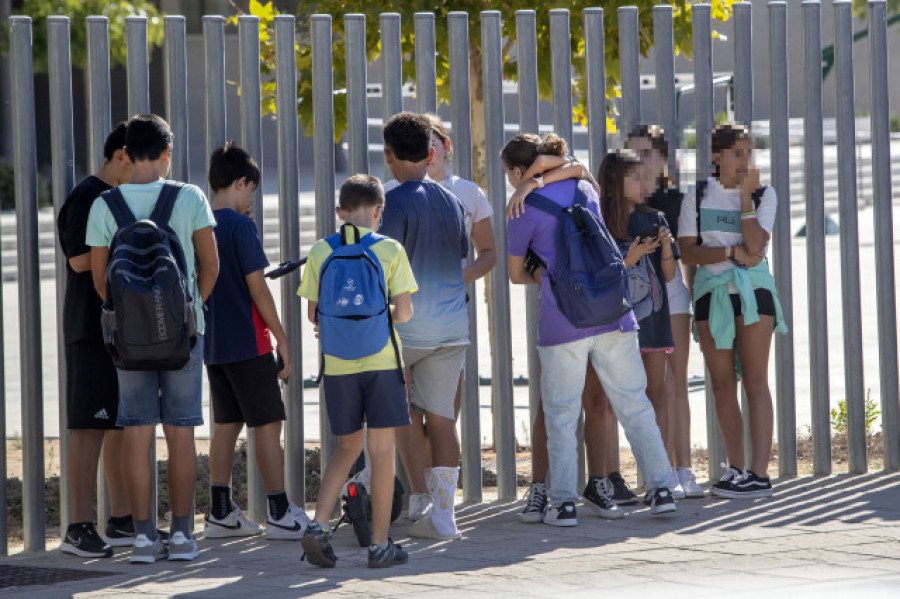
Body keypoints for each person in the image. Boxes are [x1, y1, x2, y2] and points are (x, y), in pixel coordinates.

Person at [504, 133, 677, 527]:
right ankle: (661, 489)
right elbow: (578, 167)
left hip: (562, 319)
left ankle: (564, 504)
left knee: (561, 414)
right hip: (612, 310)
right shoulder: (586, 187)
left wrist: (547, 275)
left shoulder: (520, 206)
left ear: (518, 170)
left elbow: (516, 275)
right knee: (635, 404)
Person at [87, 114, 219, 563]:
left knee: (136, 431)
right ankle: (182, 536)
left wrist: (130, 320)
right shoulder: (189, 197)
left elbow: (102, 280)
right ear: (166, 153)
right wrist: (188, 312)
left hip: (129, 342)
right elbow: (211, 265)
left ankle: (143, 538)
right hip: (182, 335)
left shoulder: (105, 205)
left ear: (125, 153)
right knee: (181, 432)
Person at [382, 113, 497, 519]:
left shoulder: (390, 202)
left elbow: (385, 266)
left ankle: (419, 497)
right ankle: (445, 512)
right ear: (431, 153)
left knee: (406, 412)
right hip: (452, 327)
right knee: (443, 419)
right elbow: (464, 257)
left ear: (388, 155)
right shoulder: (454, 200)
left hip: (406, 327)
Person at [298, 173, 416, 568]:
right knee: (382, 454)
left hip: (337, 366)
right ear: (379, 210)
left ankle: (316, 526)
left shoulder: (320, 251)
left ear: (339, 212)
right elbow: (405, 311)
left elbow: (313, 313)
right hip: (383, 363)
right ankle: (379, 546)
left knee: (346, 449)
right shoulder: (390, 250)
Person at [505, 156, 628, 521]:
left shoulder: (577, 185)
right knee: (556, 406)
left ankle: (598, 481)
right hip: (567, 313)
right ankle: (543, 488)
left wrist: (531, 182)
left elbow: (577, 166)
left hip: (596, 305)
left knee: (596, 399)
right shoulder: (529, 204)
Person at [202, 142, 309, 540]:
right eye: (252, 191)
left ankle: (219, 511)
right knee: (268, 422)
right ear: (242, 182)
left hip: (213, 344)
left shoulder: (200, 222)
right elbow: (258, 289)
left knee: (226, 424)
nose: (252, 199)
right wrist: (282, 339)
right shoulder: (241, 227)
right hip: (250, 342)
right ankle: (279, 511)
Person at [678, 122, 787, 499]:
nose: (745, 161)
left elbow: (757, 245)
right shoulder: (695, 196)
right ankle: (736, 468)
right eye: (737, 153)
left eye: (749, 153)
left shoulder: (763, 194)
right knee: (722, 384)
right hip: (711, 293)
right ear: (715, 156)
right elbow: (688, 250)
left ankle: (759, 474)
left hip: (753, 291)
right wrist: (727, 252)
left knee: (756, 380)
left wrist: (745, 199)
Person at [58, 123, 137, 558]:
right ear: (122, 155)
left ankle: (122, 520)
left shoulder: (116, 197)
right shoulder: (88, 195)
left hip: (117, 329)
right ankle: (78, 526)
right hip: (89, 328)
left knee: (117, 425)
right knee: (88, 426)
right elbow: (78, 258)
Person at [625, 125, 703, 499]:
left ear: (663, 159)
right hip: (637, 299)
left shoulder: (677, 200)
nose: (640, 161)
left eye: (646, 153)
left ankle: (684, 468)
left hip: (672, 296)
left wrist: (696, 306)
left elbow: (689, 258)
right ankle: (660, 471)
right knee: (652, 387)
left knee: (677, 383)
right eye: (632, 153)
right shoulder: (623, 201)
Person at [599, 149, 679, 503]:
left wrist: (664, 247)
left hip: (655, 320)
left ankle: (655, 478)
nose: (643, 184)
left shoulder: (655, 217)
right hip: (615, 324)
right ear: (615, 183)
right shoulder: (601, 221)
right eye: (634, 178)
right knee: (613, 399)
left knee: (656, 395)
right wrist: (628, 257)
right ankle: (611, 476)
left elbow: (670, 274)